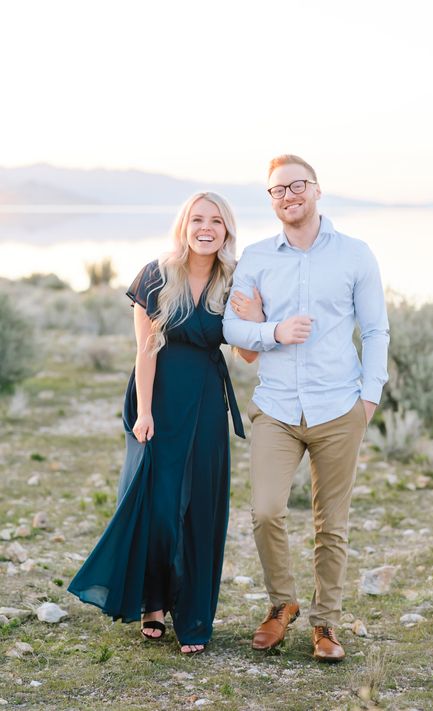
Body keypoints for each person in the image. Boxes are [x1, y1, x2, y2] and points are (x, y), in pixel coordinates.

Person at [68, 192, 261, 654]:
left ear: (227, 230)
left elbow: (249, 353)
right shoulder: (156, 275)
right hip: (157, 398)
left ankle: (194, 616)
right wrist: (146, 412)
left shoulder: (235, 280)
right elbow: (146, 349)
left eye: (216, 221)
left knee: (201, 508)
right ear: (184, 225)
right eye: (197, 219)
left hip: (207, 402)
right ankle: (152, 602)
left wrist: (255, 316)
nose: (206, 228)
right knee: (156, 503)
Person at [223, 155, 389, 662]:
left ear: (316, 190)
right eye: (278, 190)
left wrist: (369, 397)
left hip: (340, 407)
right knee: (266, 511)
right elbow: (232, 331)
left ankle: (326, 626)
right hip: (275, 407)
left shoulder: (355, 254)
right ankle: (281, 605)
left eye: (297, 185)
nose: (289, 195)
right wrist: (272, 330)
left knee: (330, 525)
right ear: (271, 200)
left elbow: (376, 329)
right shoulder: (255, 257)